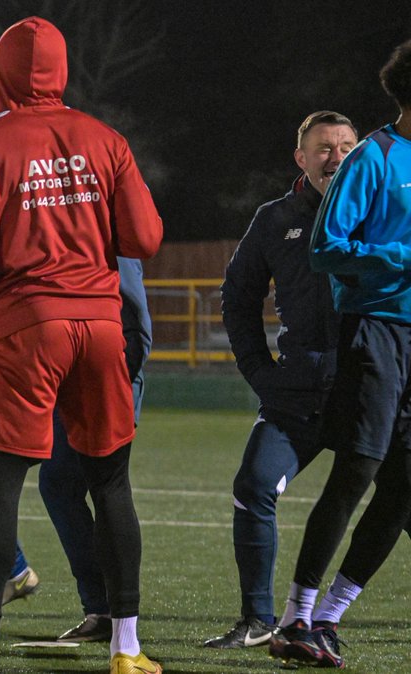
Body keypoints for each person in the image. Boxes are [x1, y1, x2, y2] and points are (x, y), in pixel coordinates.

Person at [0, 17, 163, 674]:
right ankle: (127, 651)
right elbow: (144, 238)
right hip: (100, 326)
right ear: (61, 71)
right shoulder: (106, 138)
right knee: (111, 484)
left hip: (30, 325)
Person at [269, 40, 411, 669]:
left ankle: (327, 618)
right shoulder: (373, 158)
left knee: (404, 487)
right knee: (357, 469)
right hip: (375, 330)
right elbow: (326, 247)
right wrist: (400, 260)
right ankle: (293, 618)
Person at [206, 111, 357, 650]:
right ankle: (257, 620)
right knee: (253, 486)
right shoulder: (276, 218)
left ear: (359, 153)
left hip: (369, 391)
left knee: (401, 502)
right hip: (297, 393)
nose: (335, 157)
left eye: (345, 146)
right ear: (301, 158)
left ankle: (320, 614)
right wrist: (259, 371)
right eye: (323, 147)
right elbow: (237, 297)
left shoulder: (384, 212)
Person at [0, 257, 152, 644]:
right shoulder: (47, 211)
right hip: (48, 364)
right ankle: (20, 573)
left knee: (72, 483)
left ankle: (108, 616)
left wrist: (117, 379)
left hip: (95, 371)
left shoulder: (91, 208)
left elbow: (132, 308)